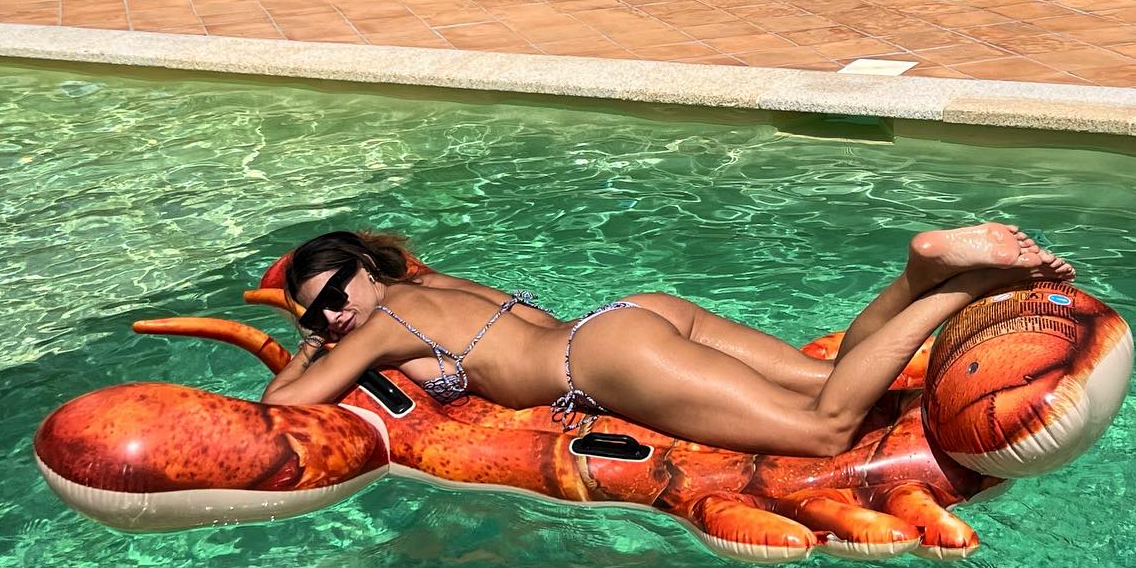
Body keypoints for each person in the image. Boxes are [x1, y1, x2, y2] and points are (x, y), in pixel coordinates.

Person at [261, 224, 1076, 458]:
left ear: (361, 272)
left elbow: (279, 405)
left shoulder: (371, 330)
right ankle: (917, 269)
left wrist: (307, 352)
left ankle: (965, 285)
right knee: (816, 372)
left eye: (334, 293)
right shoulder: (427, 284)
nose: (331, 315)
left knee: (825, 427)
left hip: (603, 358)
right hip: (632, 315)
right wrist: (318, 321)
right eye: (313, 314)